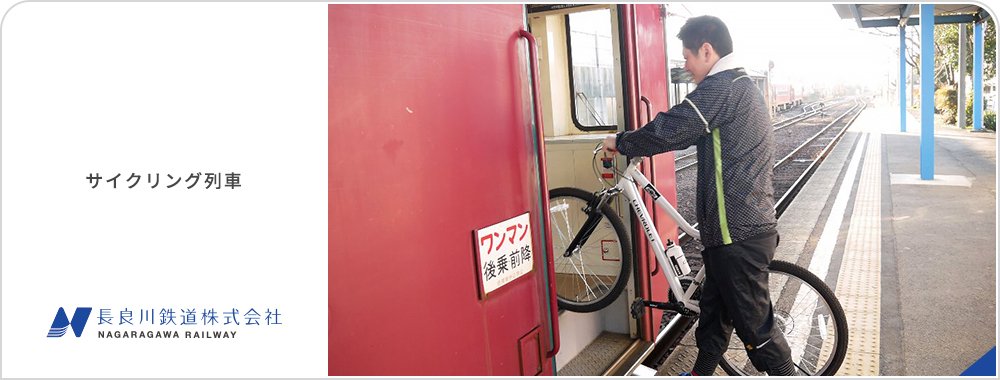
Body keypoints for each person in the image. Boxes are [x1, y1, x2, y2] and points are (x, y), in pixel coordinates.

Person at [603, 15, 796, 376]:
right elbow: (688, 132)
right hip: (739, 229)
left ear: (707, 51)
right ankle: (699, 374)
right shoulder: (740, 86)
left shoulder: (721, 87)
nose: (686, 67)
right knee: (715, 315)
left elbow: (673, 127)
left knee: (757, 332)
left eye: (688, 57)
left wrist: (622, 141)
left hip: (735, 234)